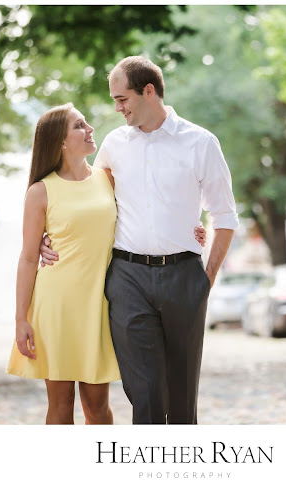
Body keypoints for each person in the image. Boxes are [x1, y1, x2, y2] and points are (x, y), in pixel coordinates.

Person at [40, 56, 238, 424]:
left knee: (181, 396)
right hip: (128, 277)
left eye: (122, 99)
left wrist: (205, 278)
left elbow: (224, 216)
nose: (117, 108)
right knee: (144, 393)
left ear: (149, 91)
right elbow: (89, 201)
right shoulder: (114, 145)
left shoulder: (201, 143)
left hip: (184, 275)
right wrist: (43, 236)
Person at [6, 101, 208, 425]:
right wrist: (21, 319)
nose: (89, 130)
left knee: (98, 408)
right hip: (56, 305)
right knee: (60, 406)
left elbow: (150, 210)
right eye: (79, 126)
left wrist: (192, 227)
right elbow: (29, 257)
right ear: (60, 141)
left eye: (86, 123)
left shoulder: (107, 179)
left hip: (99, 305)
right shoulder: (40, 192)